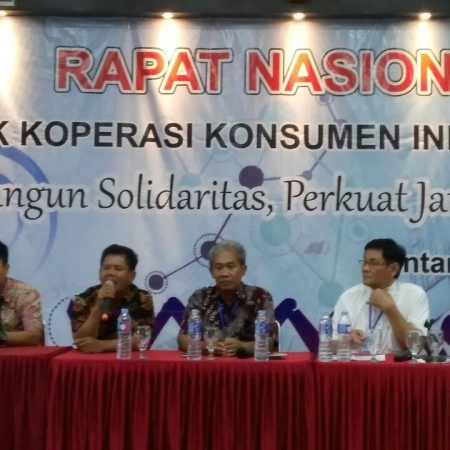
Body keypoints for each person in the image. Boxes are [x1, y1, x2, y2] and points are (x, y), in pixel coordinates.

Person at [178, 239, 275, 356]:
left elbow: (268, 341)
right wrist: (205, 346)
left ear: (243, 270)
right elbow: (183, 339)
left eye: (231, 267)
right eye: (218, 267)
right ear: (211, 272)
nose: (224, 273)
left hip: (246, 364)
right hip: (209, 363)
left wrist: (242, 346)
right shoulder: (200, 297)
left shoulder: (259, 297)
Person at [332, 238, 429, 354]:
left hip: (396, 365)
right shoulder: (349, 296)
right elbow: (331, 346)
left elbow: (416, 346)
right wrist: (346, 340)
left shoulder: (414, 295)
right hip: (358, 363)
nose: (365, 268)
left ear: (393, 269)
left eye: (373, 263)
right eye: (364, 262)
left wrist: (391, 309)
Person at [70, 244, 155, 353]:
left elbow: (143, 338)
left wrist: (103, 345)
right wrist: (98, 306)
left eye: (118, 269)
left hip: (127, 358)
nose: (110, 273)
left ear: (132, 276)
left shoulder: (141, 298)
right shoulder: (84, 298)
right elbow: (80, 341)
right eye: (106, 268)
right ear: (99, 273)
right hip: (92, 360)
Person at [0, 241, 44, 346]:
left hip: (15, 355)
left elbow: (33, 336)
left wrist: (2, 336)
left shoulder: (25, 294)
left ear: (6, 269)